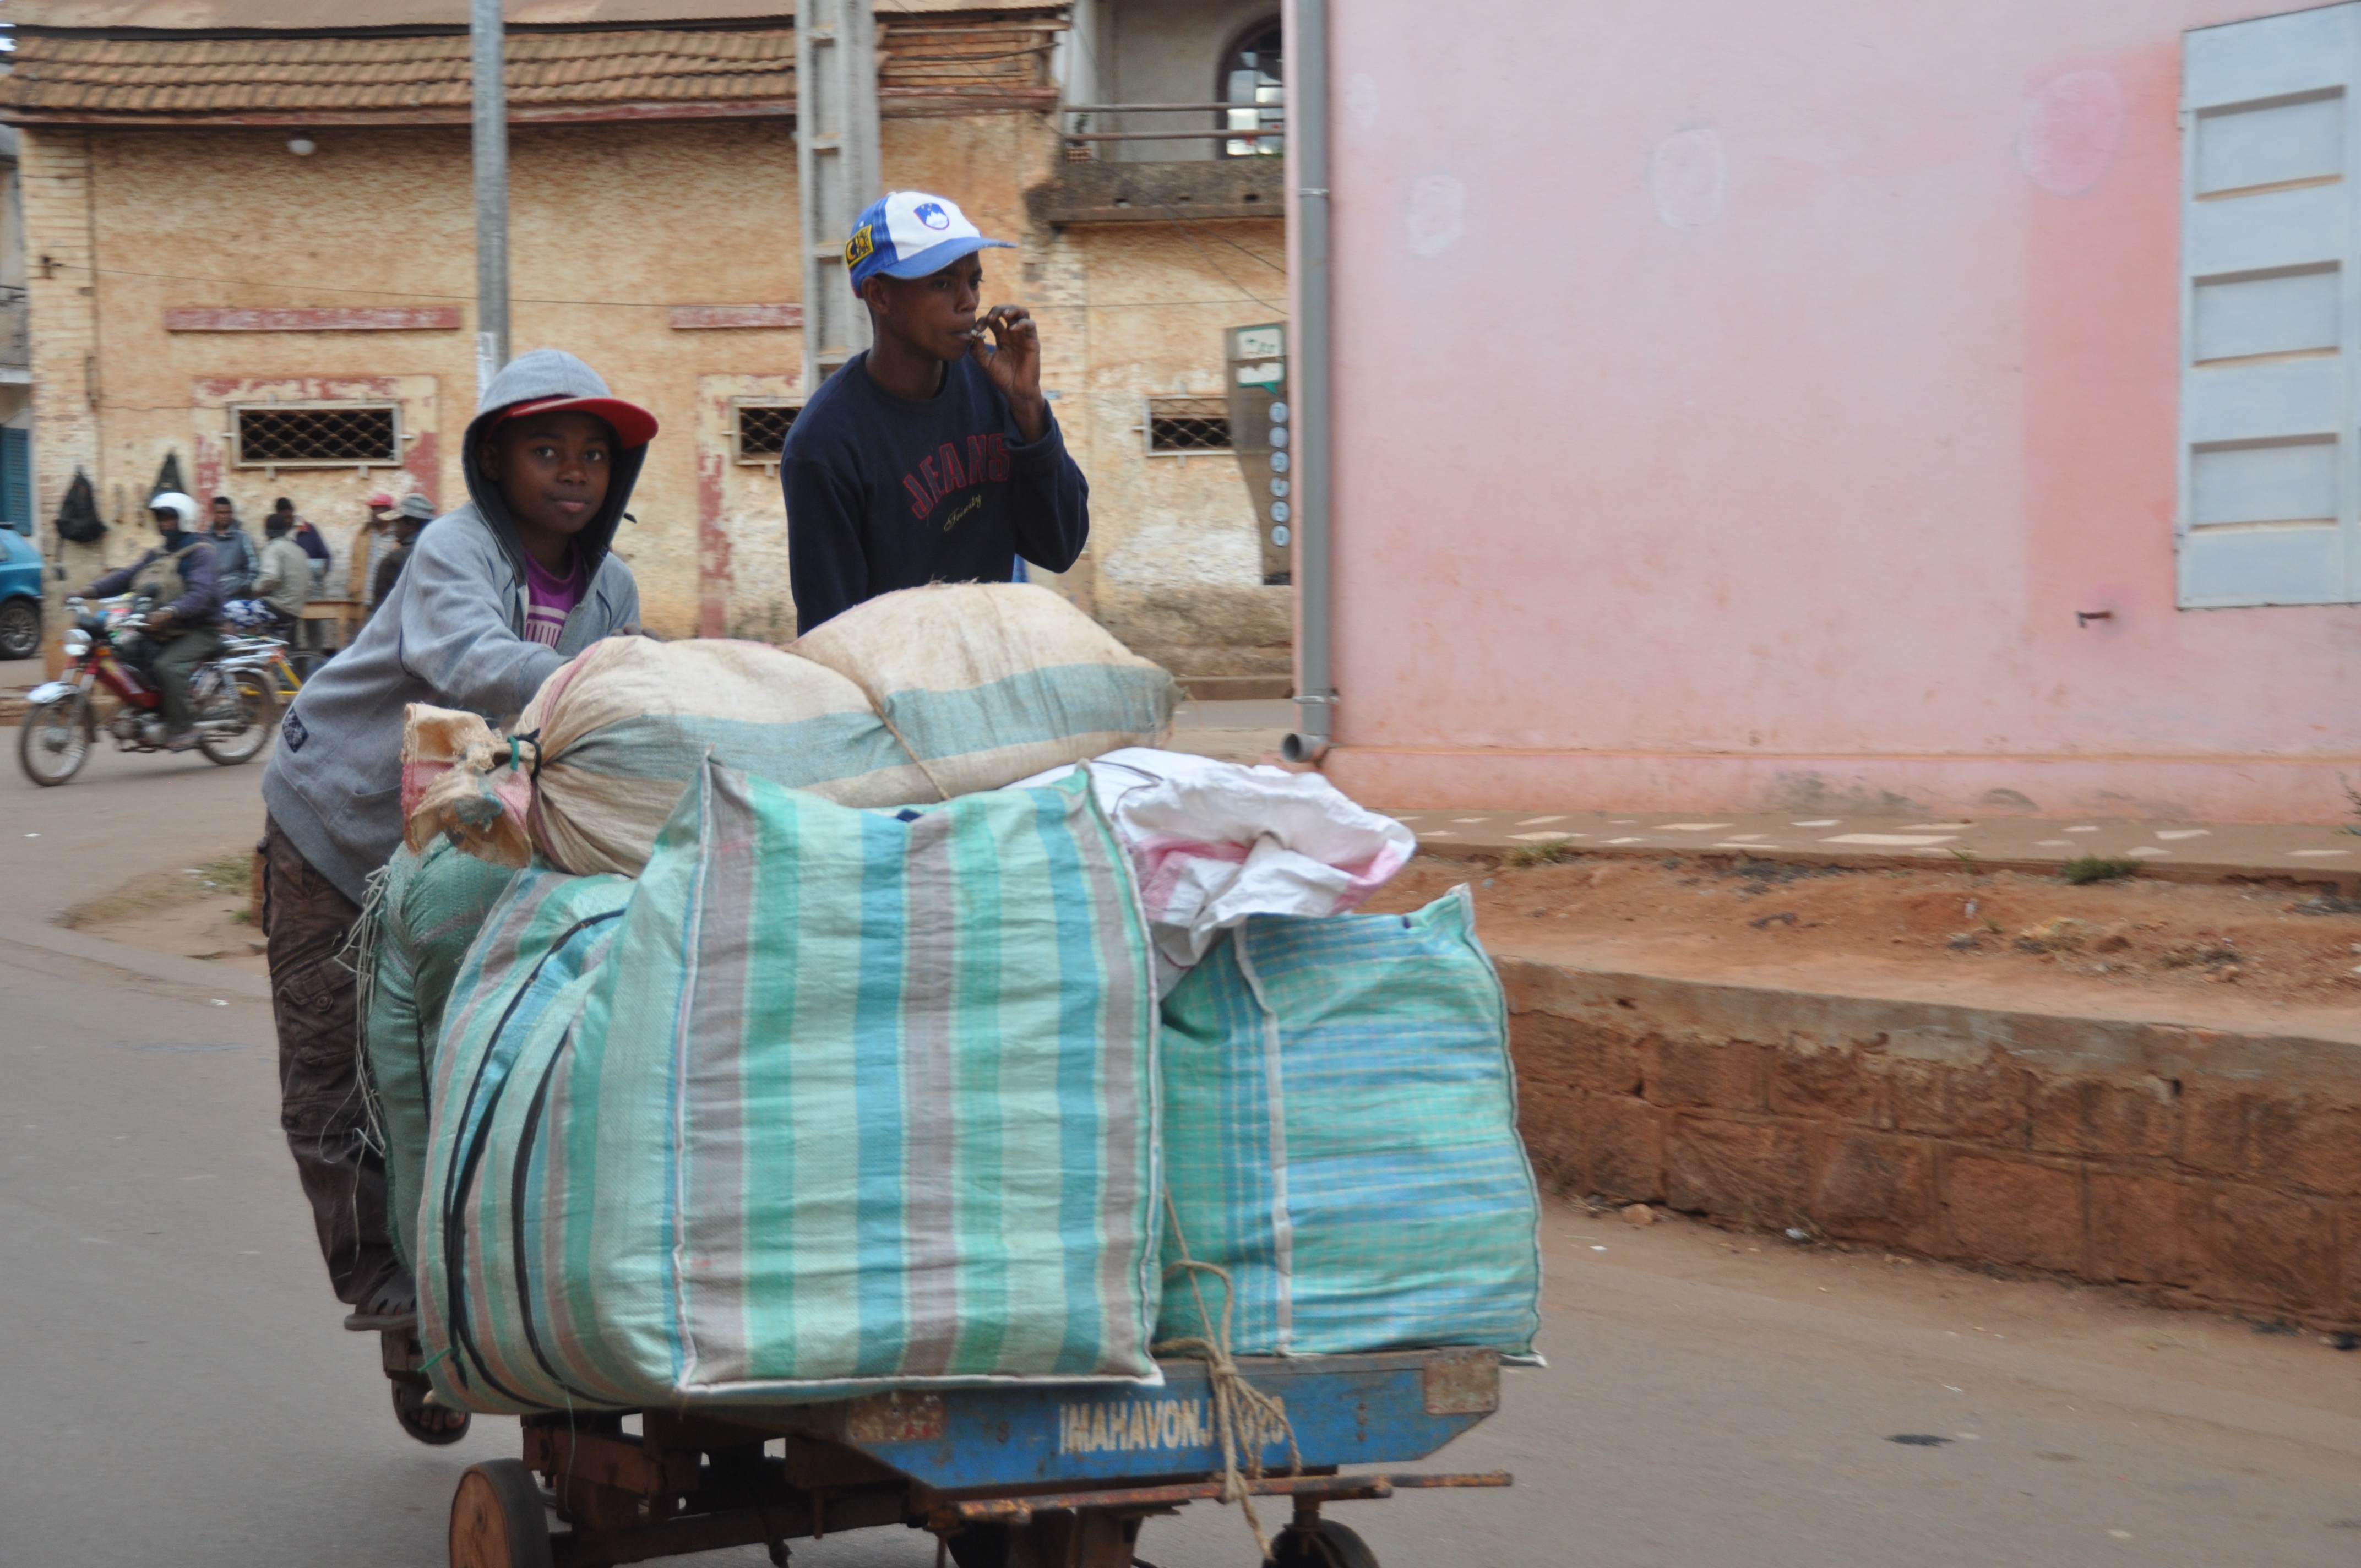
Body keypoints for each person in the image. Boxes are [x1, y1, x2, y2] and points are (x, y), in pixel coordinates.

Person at [258, 350, 652, 1358]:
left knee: (449, 1067)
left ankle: (462, 1268)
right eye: (545, 448)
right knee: (331, 1071)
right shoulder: (454, 549)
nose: (573, 471)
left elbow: (615, 732)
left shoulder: (610, 591)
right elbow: (469, 662)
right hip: (337, 830)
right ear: (492, 460)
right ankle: (385, 1287)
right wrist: (603, 687)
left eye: (593, 455)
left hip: (462, 857)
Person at [782, 190, 1089, 633]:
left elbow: (1060, 546)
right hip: (897, 691)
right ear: (879, 295)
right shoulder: (824, 445)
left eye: (974, 281)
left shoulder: (994, 383)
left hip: (994, 674)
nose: (968, 301)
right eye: (942, 283)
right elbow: (831, 634)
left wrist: (1029, 407)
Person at [79, 492, 223, 750]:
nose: (163, 523)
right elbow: (125, 577)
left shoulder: (202, 554)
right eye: (160, 517)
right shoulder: (156, 554)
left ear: (185, 519)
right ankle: (156, 712)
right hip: (165, 627)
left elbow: (201, 594)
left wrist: (170, 612)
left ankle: (183, 728)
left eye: (169, 517)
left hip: (200, 628)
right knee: (127, 651)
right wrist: (89, 591)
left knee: (167, 666)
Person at [242, 506, 313, 633]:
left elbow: (270, 577)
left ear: (267, 532)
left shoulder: (273, 549)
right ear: (285, 530)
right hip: (295, 611)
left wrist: (254, 588)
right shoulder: (299, 551)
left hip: (278, 608)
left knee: (228, 609)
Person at [367, 493, 433, 613]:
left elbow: (381, 610)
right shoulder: (438, 555)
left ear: (412, 526)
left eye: (398, 523)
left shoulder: (393, 560)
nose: (394, 528)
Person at [206, 494, 258, 600]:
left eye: (227, 513)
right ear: (214, 514)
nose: (224, 516)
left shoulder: (243, 538)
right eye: (220, 513)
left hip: (237, 596)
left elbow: (254, 565)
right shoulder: (206, 539)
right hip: (211, 597)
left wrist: (245, 585)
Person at [359, 491, 398, 607]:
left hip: (389, 600)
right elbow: (355, 565)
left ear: (388, 512)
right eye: (372, 509)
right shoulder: (363, 534)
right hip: (365, 599)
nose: (373, 513)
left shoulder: (397, 536)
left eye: (377, 509)